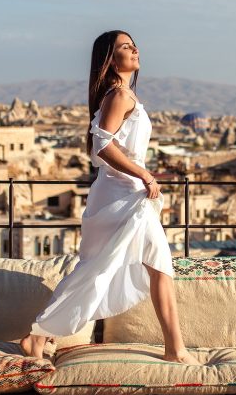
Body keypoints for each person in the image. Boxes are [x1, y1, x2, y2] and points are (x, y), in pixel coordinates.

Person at [20, 30, 199, 365]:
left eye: (133, 45)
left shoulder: (123, 96)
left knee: (104, 269)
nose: (134, 50)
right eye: (125, 47)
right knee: (155, 267)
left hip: (122, 193)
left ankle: (37, 337)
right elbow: (101, 147)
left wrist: (140, 176)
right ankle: (176, 350)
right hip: (124, 196)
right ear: (110, 59)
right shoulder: (118, 96)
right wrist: (143, 174)